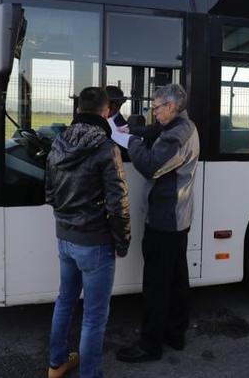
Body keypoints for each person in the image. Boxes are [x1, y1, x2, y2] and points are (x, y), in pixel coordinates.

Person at [44, 86, 131, 378]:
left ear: (78, 108)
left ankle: (56, 365)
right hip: (95, 242)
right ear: (106, 112)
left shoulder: (58, 141)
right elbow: (118, 203)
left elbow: (50, 192)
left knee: (65, 300)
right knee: (94, 316)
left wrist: (65, 220)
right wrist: (122, 241)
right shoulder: (107, 148)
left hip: (65, 237)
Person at [110, 84, 200, 363]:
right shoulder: (182, 125)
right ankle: (175, 333)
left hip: (165, 219)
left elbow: (150, 164)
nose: (153, 112)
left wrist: (130, 142)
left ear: (170, 107)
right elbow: (155, 132)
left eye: (156, 107)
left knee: (156, 285)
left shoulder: (177, 135)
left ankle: (150, 345)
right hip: (177, 219)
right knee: (175, 279)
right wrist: (132, 131)